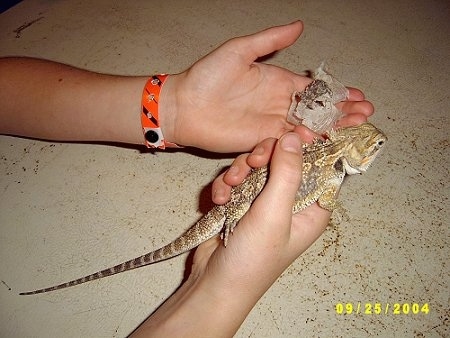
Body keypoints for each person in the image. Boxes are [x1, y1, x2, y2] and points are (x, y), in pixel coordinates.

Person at [0, 21, 373, 336]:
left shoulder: (329, 157)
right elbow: (326, 200)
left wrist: (174, 106)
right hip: (233, 219)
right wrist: (218, 292)